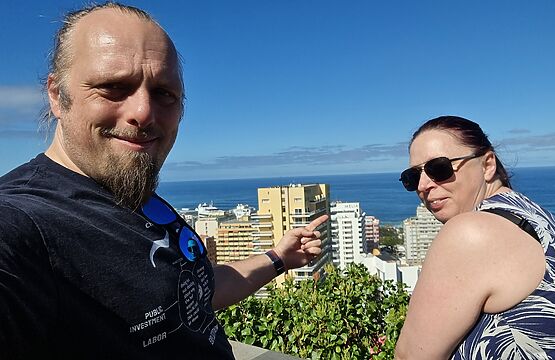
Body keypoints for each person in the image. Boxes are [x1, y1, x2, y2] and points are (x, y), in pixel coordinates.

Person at [0, 3, 327, 359]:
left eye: (163, 93)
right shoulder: (25, 224)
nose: (143, 112)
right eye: (112, 87)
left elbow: (193, 291)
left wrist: (279, 257)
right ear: (57, 95)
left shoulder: (134, 197)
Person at [394, 116, 555, 359]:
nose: (423, 185)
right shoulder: (537, 218)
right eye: (412, 177)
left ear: (487, 165)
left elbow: (411, 356)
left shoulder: (470, 233)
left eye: (439, 168)